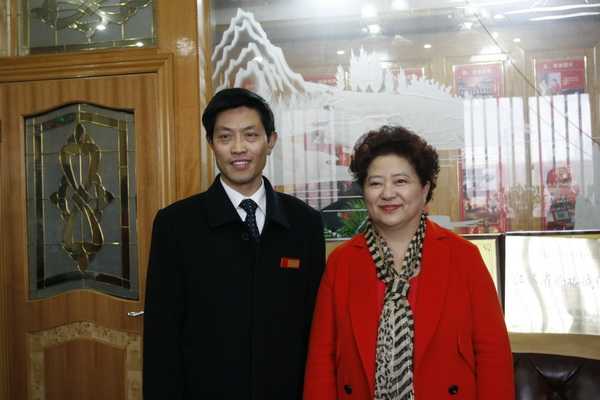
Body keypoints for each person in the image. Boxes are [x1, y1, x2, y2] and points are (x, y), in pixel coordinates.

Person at [304, 125, 514, 400]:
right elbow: (321, 358)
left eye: (401, 181)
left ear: (425, 189)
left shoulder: (463, 257)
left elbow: (492, 353)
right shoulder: (342, 262)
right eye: (375, 183)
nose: (387, 193)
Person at [143, 88, 326, 399]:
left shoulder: (304, 222)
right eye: (225, 137)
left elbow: (317, 328)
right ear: (211, 144)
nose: (238, 148)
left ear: (271, 141)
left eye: (250, 135)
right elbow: (161, 335)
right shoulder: (175, 225)